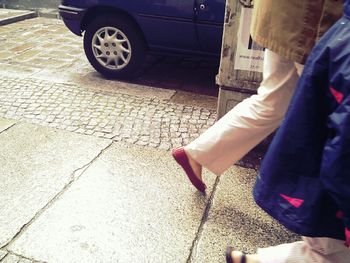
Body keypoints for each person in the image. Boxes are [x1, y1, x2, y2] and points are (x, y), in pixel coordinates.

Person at [172, 0, 343, 193]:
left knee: (273, 102)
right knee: (331, 111)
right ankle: (325, 199)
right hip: (310, 25)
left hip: (283, 17)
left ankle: (198, 153)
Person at [226, 0, 350, 261]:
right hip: (306, 27)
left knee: (273, 102)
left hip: (285, 21)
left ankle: (196, 153)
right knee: (274, 104)